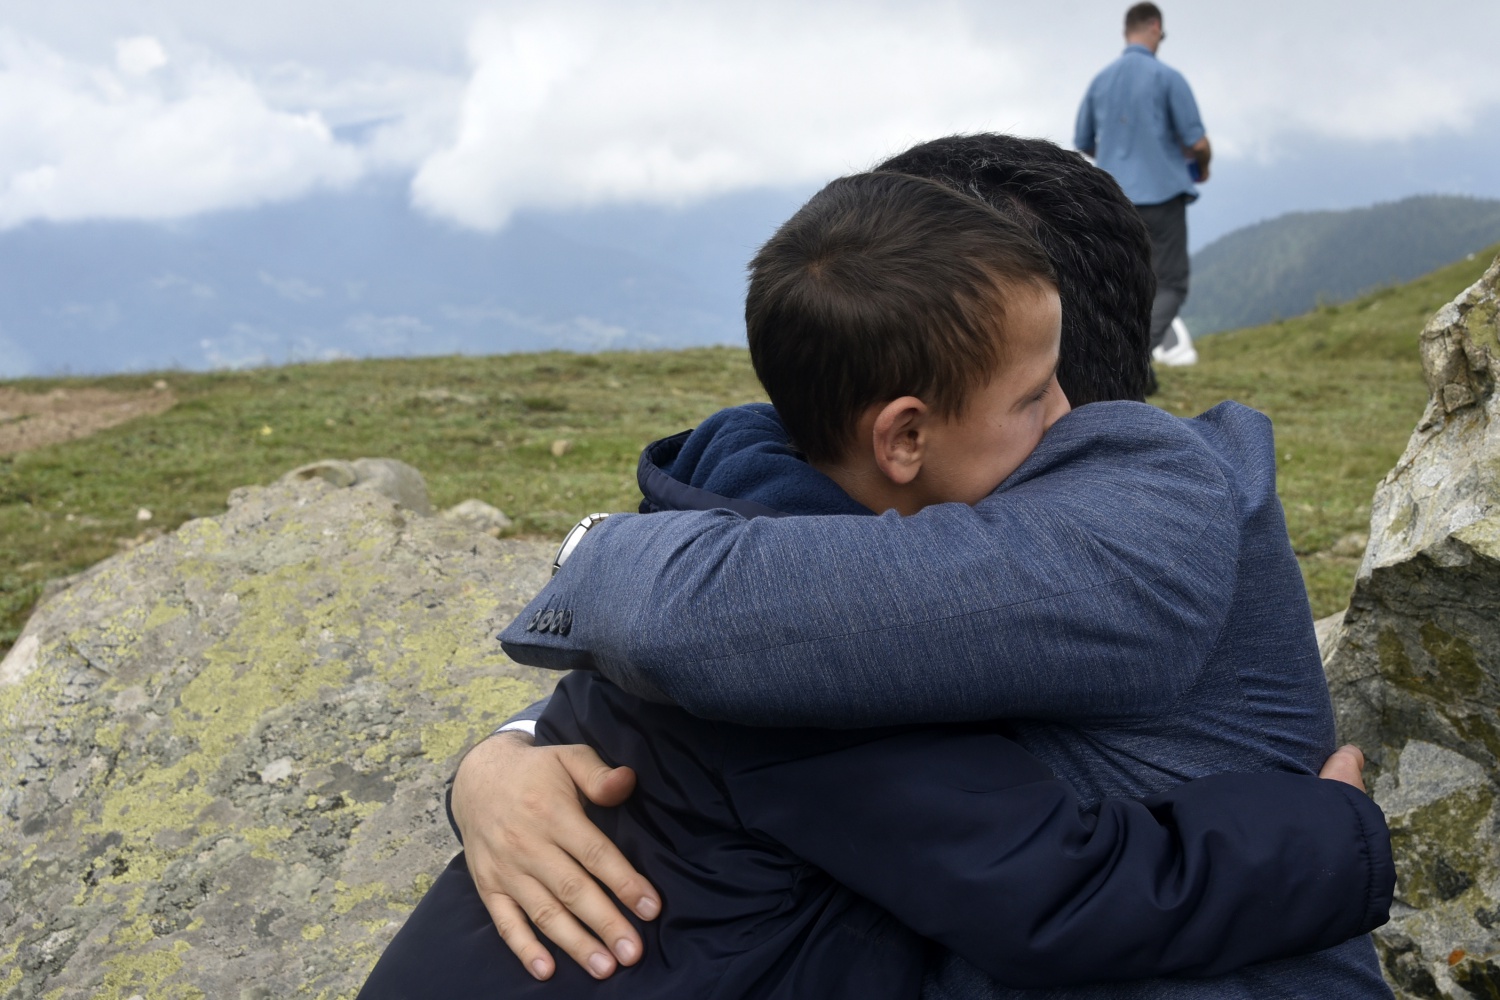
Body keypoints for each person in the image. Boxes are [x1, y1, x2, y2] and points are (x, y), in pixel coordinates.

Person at [358, 170, 1392, 1000]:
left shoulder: (775, 518)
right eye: (1033, 395)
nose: (1062, 410)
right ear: (901, 433)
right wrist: (1330, 837)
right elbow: (1046, 884)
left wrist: (513, 738)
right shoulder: (839, 657)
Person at [1075, 2, 1210, 367]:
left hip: (1115, 198)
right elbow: (1197, 142)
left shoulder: (1100, 81)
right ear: (1155, 27)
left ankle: (1139, 372)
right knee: (1170, 284)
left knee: (1126, 286)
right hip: (1163, 195)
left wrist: (1117, 154)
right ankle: (1129, 360)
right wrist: (1203, 166)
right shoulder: (1167, 78)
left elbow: (1084, 140)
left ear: (1125, 32)